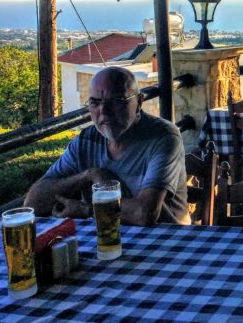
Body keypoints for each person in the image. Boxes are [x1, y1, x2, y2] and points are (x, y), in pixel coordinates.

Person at [24, 66, 190, 225]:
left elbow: (144, 214)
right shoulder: (86, 141)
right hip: (106, 238)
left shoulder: (162, 137)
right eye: (95, 102)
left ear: (139, 102)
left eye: (117, 101)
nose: (104, 111)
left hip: (164, 240)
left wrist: (88, 210)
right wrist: (88, 176)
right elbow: (32, 204)